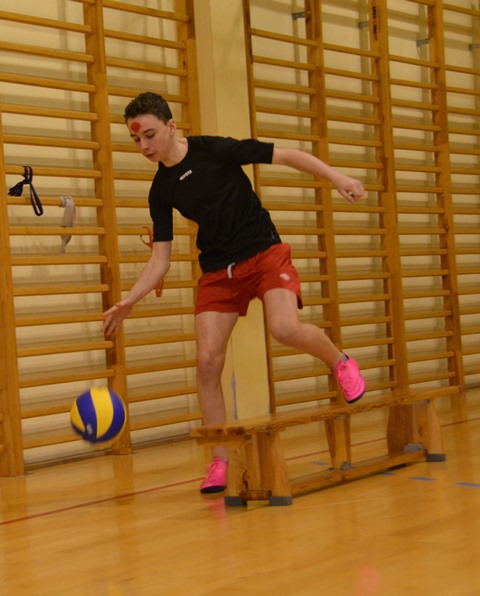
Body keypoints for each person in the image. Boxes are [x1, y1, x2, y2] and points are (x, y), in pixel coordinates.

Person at [102, 91, 366, 494]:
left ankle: (340, 362)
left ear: (171, 126)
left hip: (263, 252)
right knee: (207, 362)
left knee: (284, 328)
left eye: (150, 135)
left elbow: (287, 155)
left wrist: (337, 178)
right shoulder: (161, 190)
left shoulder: (214, 150)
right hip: (218, 269)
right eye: (136, 140)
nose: (144, 146)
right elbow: (160, 259)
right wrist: (128, 301)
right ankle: (220, 461)